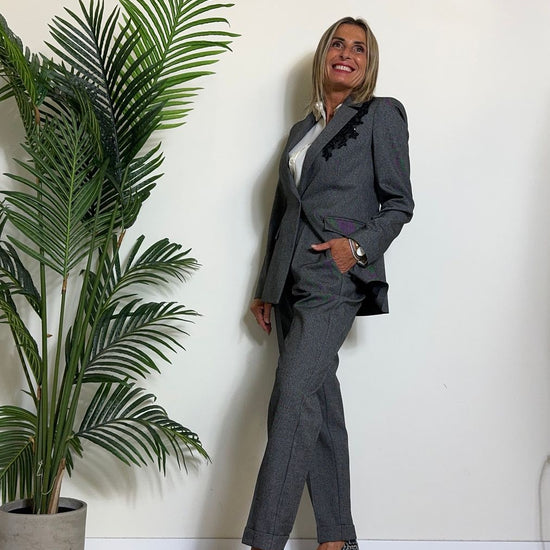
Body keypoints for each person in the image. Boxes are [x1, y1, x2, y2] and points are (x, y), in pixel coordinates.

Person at [243, 16, 414, 550]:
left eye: (358, 48)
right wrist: (266, 285)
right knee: (318, 404)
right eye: (337, 44)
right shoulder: (301, 131)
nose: (346, 53)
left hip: (332, 278)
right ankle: (336, 539)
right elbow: (282, 213)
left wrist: (354, 249)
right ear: (323, 56)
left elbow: (399, 203)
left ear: (368, 64)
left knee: (291, 398)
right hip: (288, 283)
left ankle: (265, 540)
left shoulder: (381, 115)